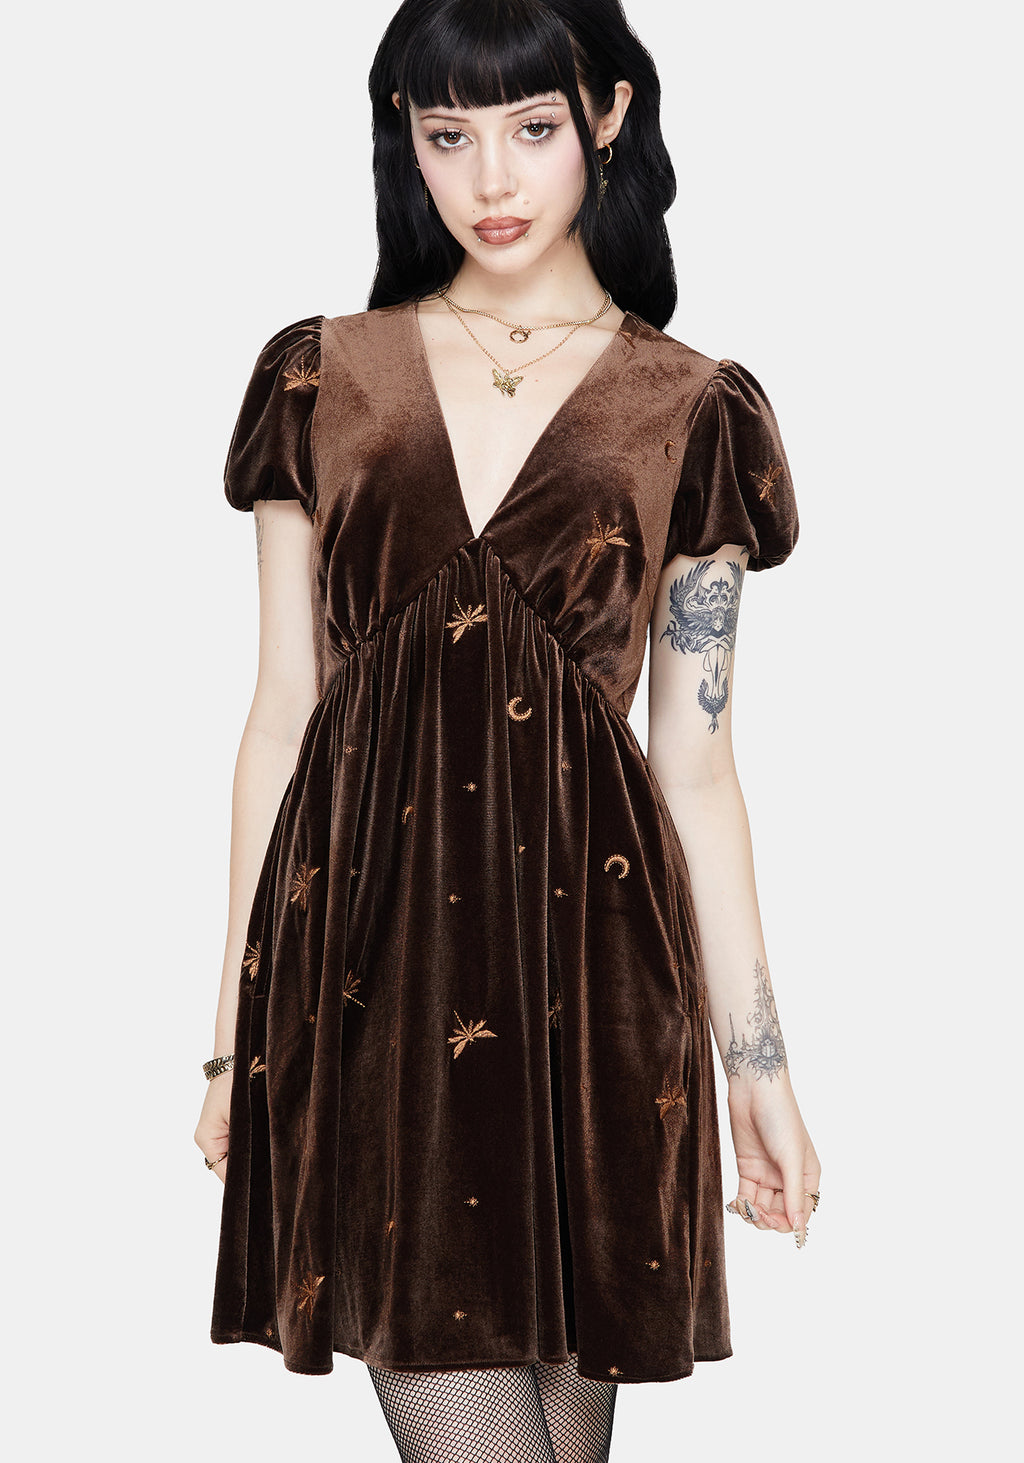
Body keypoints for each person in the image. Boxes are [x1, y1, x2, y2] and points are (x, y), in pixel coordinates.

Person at [194, 2, 822, 1459]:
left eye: (533, 128)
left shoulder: (694, 411)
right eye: (448, 134)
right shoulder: (319, 377)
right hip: (369, 977)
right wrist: (231, 1036)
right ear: (404, 142)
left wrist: (759, 1072)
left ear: (607, 116)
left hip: (594, 993)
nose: (490, 179)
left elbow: (697, 772)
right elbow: (281, 715)